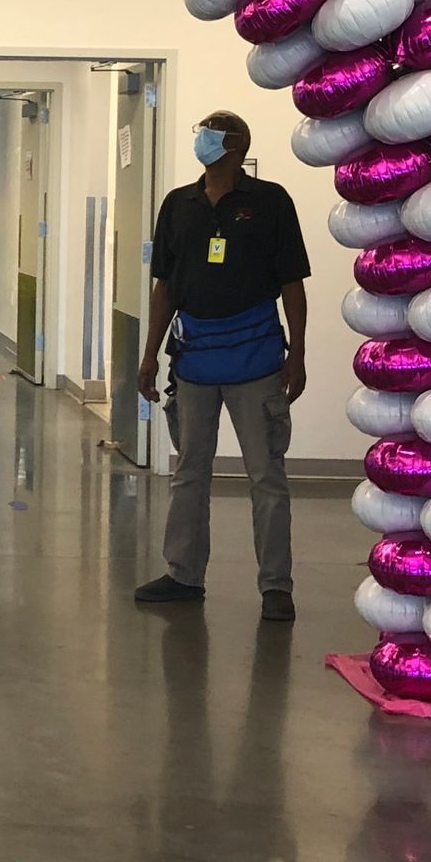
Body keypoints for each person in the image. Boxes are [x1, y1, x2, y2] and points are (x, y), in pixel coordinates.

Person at [134, 111, 309, 623]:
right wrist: (150, 353)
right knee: (189, 473)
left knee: (266, 476)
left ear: (236, 144)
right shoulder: (178, 205)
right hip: (194, 365)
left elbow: (293, 284)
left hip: (257, 362)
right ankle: (183, 573)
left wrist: (296, 354)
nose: (201, 139)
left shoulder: (271, 202)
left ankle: (276, 585)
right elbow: (164, 285)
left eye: (210, 131)